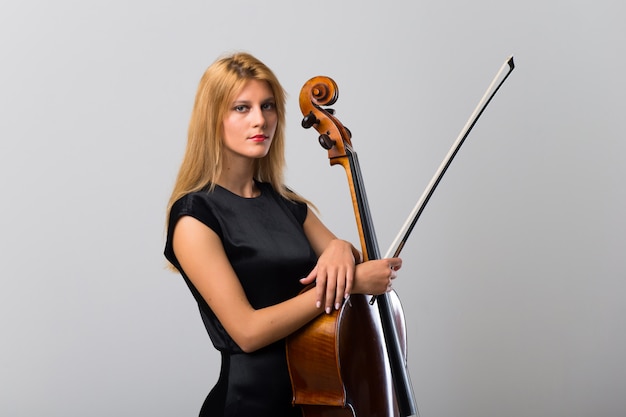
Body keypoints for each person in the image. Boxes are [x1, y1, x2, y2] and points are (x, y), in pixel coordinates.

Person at [164, 52, 402, 417]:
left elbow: (356, 265)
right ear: (213, 120)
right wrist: (347, 282)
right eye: (241, 108)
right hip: (250, 405)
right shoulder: (194, 217)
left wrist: (340, 249)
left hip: (317, 398)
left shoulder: (287, 204)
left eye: (268, 106)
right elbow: (247, 331)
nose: (260, 119)